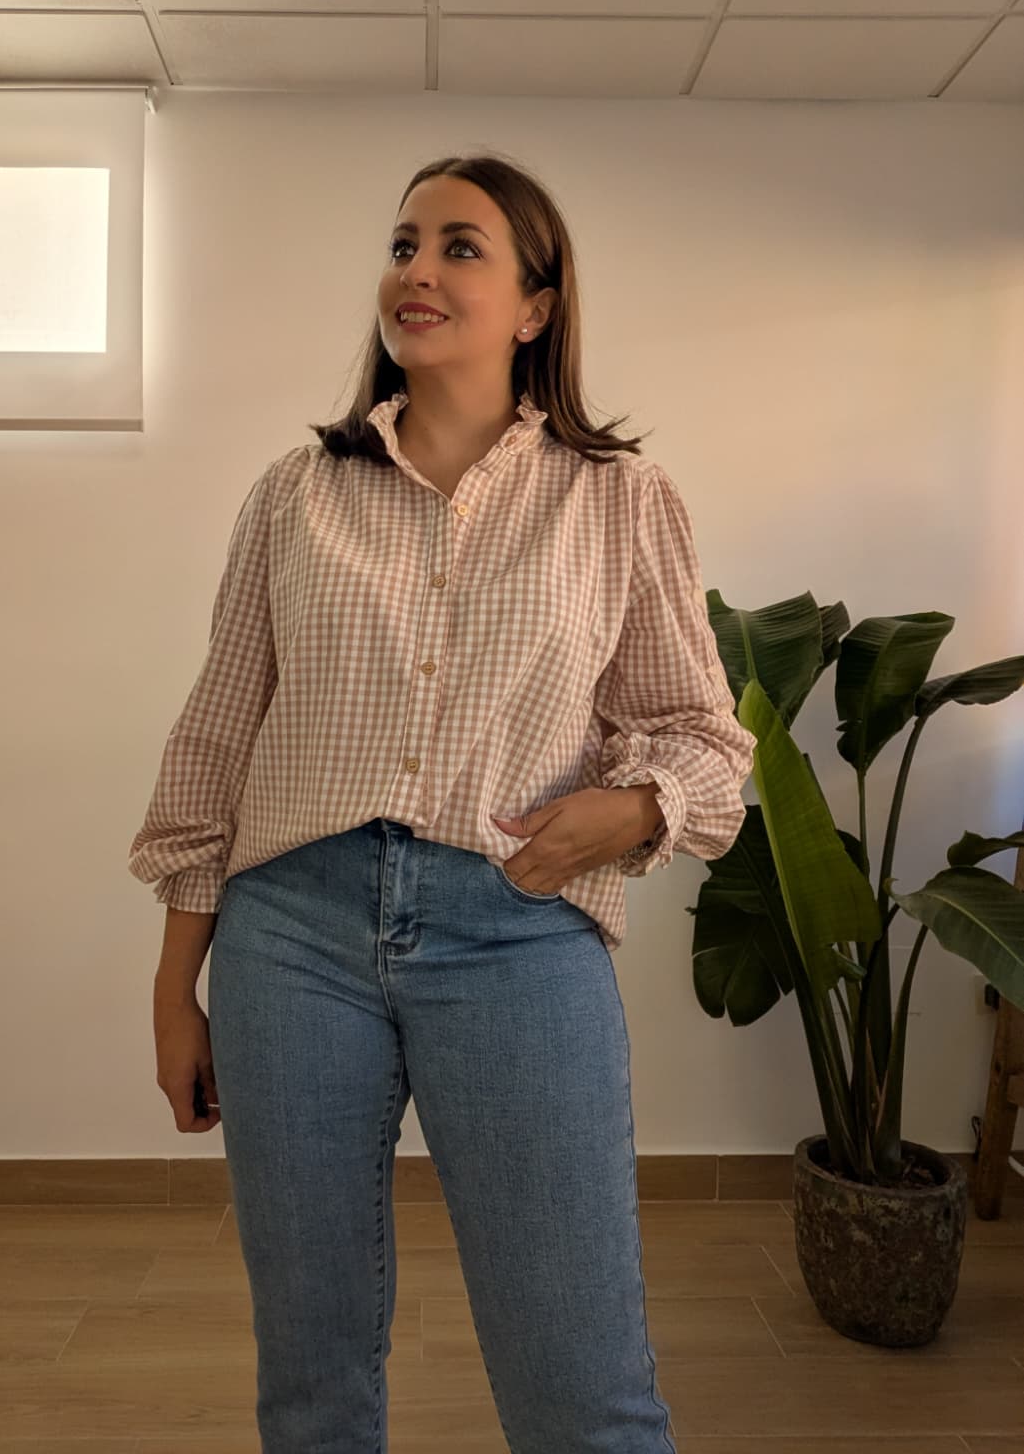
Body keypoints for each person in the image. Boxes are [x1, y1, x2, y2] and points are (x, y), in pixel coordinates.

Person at [128, 152, 755, 1453]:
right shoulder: (296, 493)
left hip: (519, 930)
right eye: (403, 244)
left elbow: (704, 735)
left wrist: (634, 811)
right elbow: (219, 735)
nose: (416, 270)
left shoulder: (618, 498)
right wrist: (175, 987)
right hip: (288, 936)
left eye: (460, 247)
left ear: (535, 305)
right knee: (310, 1367)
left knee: (580, 1379)